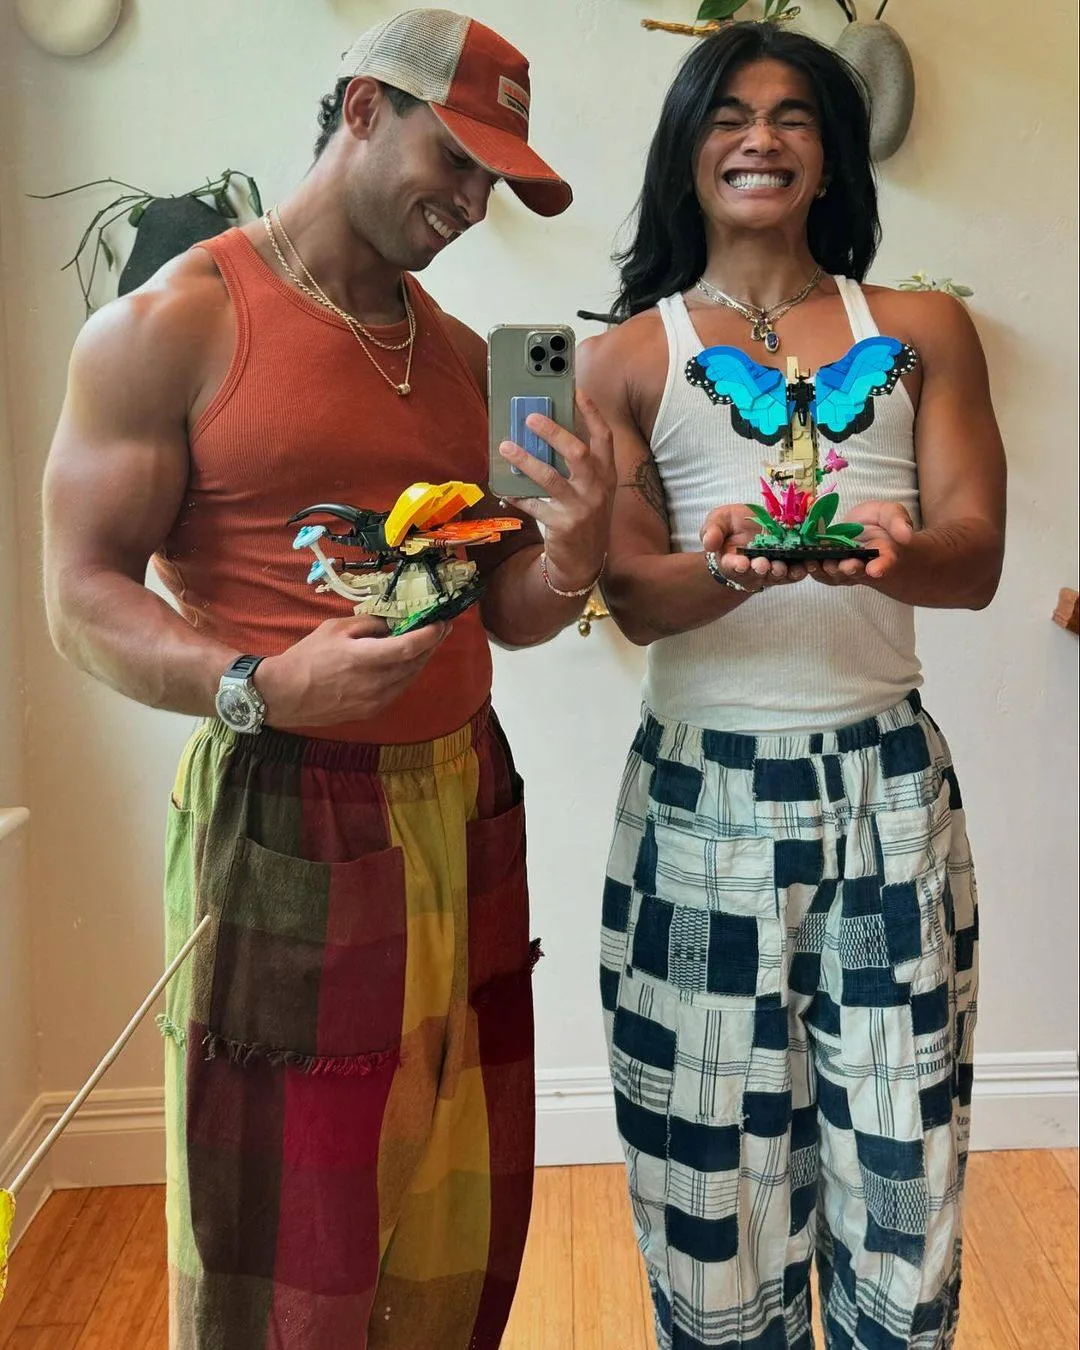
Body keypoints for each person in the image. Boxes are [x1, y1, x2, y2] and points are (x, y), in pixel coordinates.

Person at [41, 9, 614, 1348]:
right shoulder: (173, 324)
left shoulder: (471, 360)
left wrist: (577, 552)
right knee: (281, 1240)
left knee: (453, 1206)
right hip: (285, 806)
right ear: (363, 109)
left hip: (465, 798)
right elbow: (80, 596)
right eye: (456, 160)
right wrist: (258, 684)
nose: (472, 204)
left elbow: (511, 615)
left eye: (495, 180)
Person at [580, 21, 1004, 1350]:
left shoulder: (922, 330)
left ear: (831, 156)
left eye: (793, 115)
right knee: (706, 1178)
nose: (759, 138)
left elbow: (979, 558)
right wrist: (732, 570)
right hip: (695, 804)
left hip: (887, 790)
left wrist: (901, 550)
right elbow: (634, 594)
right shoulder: (628, 357)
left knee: (902, 1169)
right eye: (728, 115)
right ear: (686, 151)